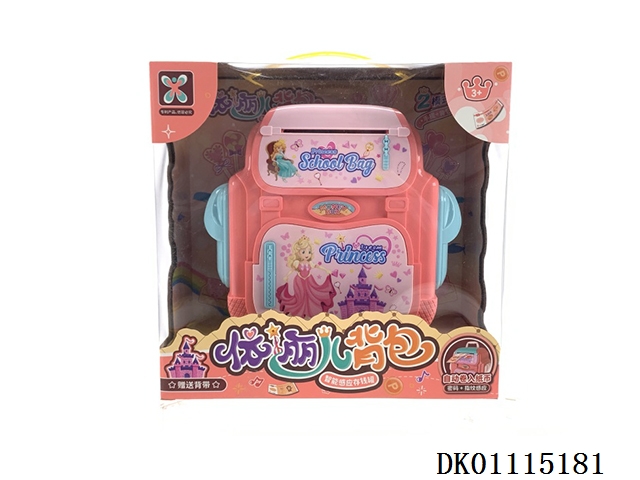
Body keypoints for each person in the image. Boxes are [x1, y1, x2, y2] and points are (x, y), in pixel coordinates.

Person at [275, 235, 336, 318]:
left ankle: (310, 311)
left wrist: (326, 270)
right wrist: (287, 276)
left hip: (309, 280)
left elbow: (318, 266)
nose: (307, 254)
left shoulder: (310, 263)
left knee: (311, 295)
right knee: (300, 296)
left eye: (309, 252)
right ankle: (298, 312)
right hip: (299, 280)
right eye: (303, 252)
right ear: (298, 253)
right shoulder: (297, 263)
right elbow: (292, 270)